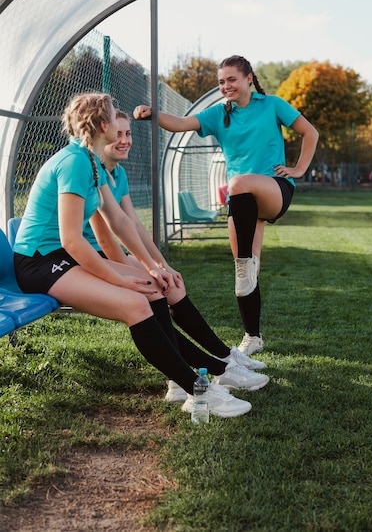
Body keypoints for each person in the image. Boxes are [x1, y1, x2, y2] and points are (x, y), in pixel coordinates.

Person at [13, 92, 268, 419]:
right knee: (135, 303)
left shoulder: (90, 160)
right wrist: (121, 278)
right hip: (39, 262)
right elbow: (72, 241)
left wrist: (153, 267)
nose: (120, 133)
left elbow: (118, 220)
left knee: (153, 285)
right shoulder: (74, 162)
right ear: (103, 125)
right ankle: (200, 391)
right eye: (114, 125)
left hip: (60, 256)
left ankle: (184, 381)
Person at [134, 55, 319, 356]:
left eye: (231, 79)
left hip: (274, 190)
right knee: (243, 275)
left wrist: (298, 169)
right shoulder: (219, 114)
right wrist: (153, 113)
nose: (226, 86)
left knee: (236, 185)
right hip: (243, 202)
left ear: (248, 78)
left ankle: (248, 262)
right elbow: (180, 123)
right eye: (221, 81)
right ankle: (253, 336)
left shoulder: (272, 104)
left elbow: (310, 132)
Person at [84, 109, 268, 404]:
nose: (124, 140)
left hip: (105, 255)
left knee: (172, 284)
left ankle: (215, 360)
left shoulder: (117, 172)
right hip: (90, 257)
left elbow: (133, 225)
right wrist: (139, 274)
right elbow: (106, 237)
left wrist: (162, 265)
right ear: (100, 135)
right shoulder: (91, 172)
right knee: (153, 288)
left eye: (128, 133)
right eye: (117, 134)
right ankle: (198, 372)